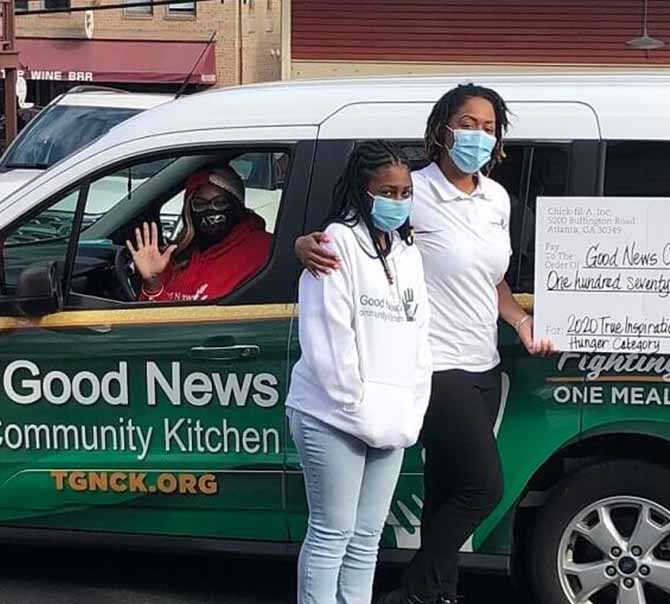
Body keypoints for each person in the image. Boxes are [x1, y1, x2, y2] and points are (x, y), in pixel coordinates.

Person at [296, 84, 554, 604]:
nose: (477, 135)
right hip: (435, 366)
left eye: (488, 127)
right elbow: (360, 234)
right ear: (441, 128)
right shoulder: (410, 190)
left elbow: (491, 278)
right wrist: (306, 243)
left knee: (444, 491)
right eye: (467, 122)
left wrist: (521, 320)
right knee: (483, 487)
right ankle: (416, 588)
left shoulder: (497, 199)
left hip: (485, 362)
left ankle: (437, 593)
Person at [286, 141, 432, 604]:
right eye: (387, 191)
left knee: (367, 536)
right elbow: (329, 337)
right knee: (333, 532)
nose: (398, 200)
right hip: (333, 414)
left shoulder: (408, 253)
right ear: (361, 191)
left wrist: (411, 405)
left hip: (391, 420)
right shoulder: (334, 245)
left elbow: (418, 335)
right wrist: (357, 405)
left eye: (405, 191)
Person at [128, 165, 271, 302]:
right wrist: (152, 281)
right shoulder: (179, 256)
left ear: (236, 206)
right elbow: (152, 318)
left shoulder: (261, 251)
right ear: (189, 211)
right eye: (200, 204)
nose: (210, 211)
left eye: (220, 203)